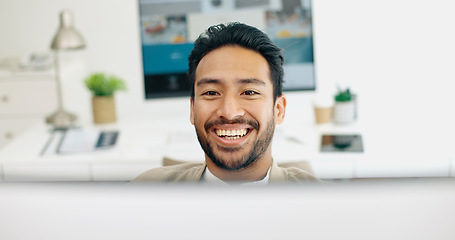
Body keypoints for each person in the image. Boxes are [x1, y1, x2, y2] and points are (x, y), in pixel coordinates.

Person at [133, 22, 318, 184]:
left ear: (278, 110)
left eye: (249, 92)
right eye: (211, 92)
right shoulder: (144, 192)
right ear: (192, 109)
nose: (229, 112)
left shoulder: (323, 205)